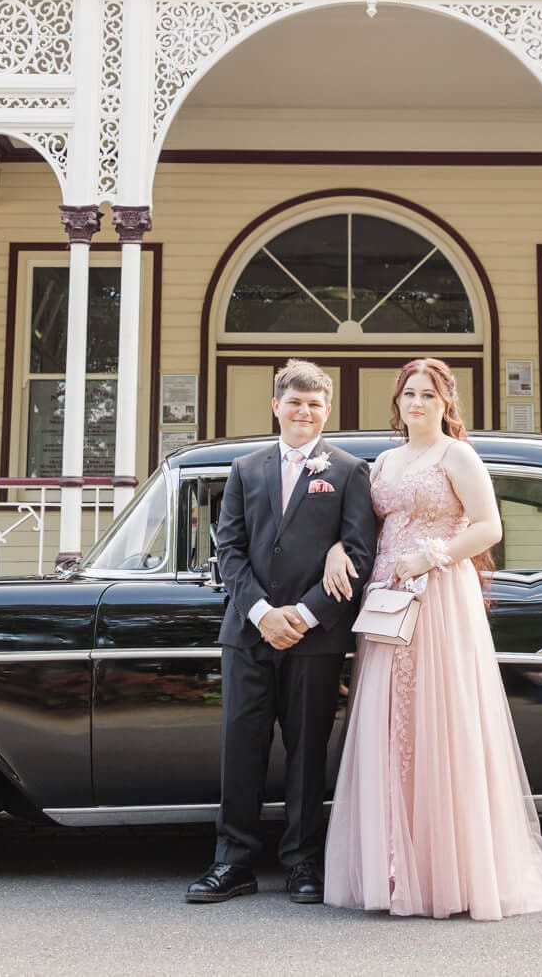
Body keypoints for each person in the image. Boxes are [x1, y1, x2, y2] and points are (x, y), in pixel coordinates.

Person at [319, 357, 542, 920]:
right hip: (387, 598)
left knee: (439, 722)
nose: (417, 403)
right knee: (390, 723)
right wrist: (340, 549)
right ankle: (391, 863)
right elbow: (360, 526)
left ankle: (446, 871)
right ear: (398, 402)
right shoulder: (383, 462)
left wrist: (429, 557)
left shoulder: (458, 456)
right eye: (409, 394)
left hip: (438, 596)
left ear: (445, 403)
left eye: (428, 395)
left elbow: (487, 525)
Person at [186, 360, 377, 906]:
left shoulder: (347, 472)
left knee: (307, 750)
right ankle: (233, 861)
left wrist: (305, 616)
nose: (304, 412)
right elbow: (230, 551)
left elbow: (358, 553)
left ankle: (302, 862)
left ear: (327, 410)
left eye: (315, 404)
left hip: (315, 638)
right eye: (295, 402)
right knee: (241, 747)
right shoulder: (245, 469)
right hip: (249, 635)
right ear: (276, 406)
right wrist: (264, 614)